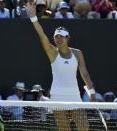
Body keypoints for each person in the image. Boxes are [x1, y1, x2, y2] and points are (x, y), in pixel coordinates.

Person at [27, 1, 96, 130]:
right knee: (64, 129)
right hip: (57, 96)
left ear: (67, 38)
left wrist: (92, 92)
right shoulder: (52, 53)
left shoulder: (77, 53)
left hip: (75, 96)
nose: (58, 39)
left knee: (84, 127)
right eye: (56, 37)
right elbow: (41, 34)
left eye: (61, 37)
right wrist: (33, 17)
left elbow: (84, 74)